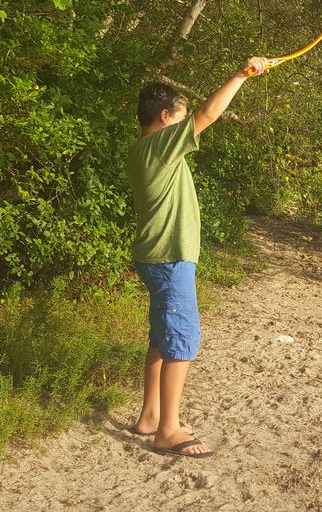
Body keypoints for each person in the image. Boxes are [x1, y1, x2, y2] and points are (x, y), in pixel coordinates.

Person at [126, 57, 267, 457]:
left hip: (157, 256)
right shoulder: (158, 145)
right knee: (182, 340)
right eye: (181, 118)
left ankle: (150, 415)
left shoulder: (143, 151)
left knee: (161, 338)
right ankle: (167, 430)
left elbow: (199, 116)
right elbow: (208, 113)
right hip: (170, 258)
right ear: (166, 117)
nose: (187, 126)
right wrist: (242, 74)